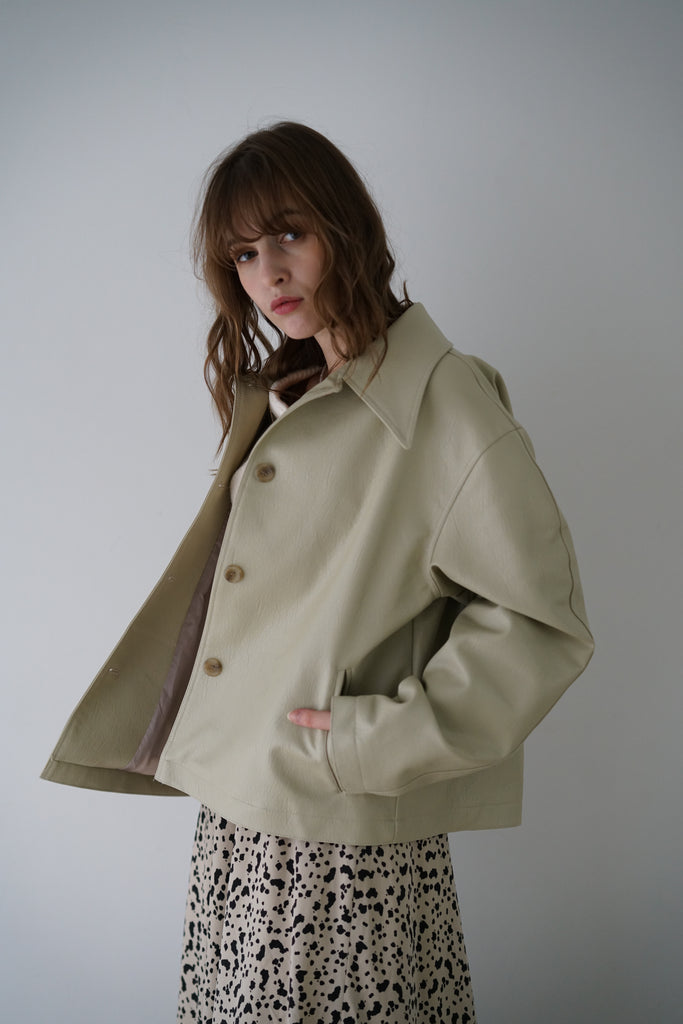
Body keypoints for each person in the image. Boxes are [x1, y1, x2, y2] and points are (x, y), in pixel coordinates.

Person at [42, 121, 594, 1023]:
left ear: (345, 227)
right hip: (243, 818)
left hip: (337, 837)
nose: (268, 272)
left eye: (289, 234)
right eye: (243, 254)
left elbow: (540, 620)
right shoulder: (290, 392)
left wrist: (367, 741)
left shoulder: (442, 401)